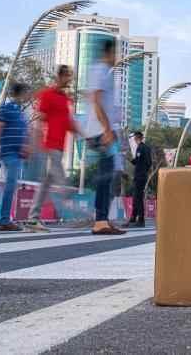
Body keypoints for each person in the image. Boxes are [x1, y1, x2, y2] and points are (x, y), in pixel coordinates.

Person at [26, 66, 78, 232]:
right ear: (60, 76)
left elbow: (68, 123)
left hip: (60, 146)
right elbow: (39, 118)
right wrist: (33, 143)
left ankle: (32, 220)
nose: (70, 79)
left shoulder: (65, 99)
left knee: (45, 184)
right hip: (49, 144)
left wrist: (85, 135)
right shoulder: (47, 94)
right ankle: (78, 214)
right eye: (68, 76)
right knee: (62, 180)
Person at [83, 39, 125, 236]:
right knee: (106, 175)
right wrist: (107, 129)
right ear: (109, 52)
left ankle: (102, 219)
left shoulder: (104, 72)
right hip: (100, 131)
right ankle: (100, 221)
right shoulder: (101, 71)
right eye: (115, 53)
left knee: (108, 174)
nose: (117, 57)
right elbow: (96, 101)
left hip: (102, 130)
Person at [0, 83, 31, 232]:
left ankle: (5, 219)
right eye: (27, 92)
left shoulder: (20, 111)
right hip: (9, 152)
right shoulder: (5, 108)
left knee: (11, 185)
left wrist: (25, 146)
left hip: (17, 154)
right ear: (20, 93)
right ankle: (4, 220)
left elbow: (22, 132)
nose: (28, 96)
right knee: (10, 185)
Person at [128, 131, 152, 227]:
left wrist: (130, 160)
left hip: (139, 175)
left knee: (138, 197)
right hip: (144, 175)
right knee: (136, 196)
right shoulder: (147, 148)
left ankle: (141, 220)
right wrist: (145, 170)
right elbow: (149, 163)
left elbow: (137, 161)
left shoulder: (140, 148)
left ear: (136, 138)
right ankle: (133, 218)